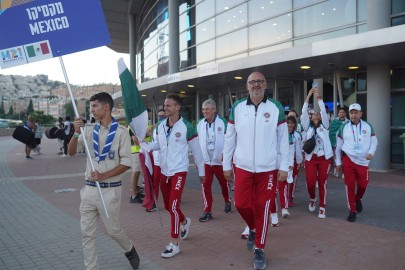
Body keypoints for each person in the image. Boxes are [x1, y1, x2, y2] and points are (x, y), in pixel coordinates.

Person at [223, 71, 289, 270]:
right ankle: (252, 228)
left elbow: (283, 139)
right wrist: (226, 164)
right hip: (242, 166)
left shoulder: (276, 107)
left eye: (260, 81)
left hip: (267, 168)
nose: (256, 85)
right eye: (252, 82)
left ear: (266, 84)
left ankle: (259, 248)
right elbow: (229, 138)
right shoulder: (237, 107)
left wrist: (284, 166)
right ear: (247, 86)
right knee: (241, 204)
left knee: (263, 206)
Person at [67, 92, 140, 270]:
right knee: (87, 233)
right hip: (89, 190)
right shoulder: (88, 130)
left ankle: (129, 249)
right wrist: (76, 133)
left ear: (106, 107)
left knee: (113, 230)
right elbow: (70, 153)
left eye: (94, 106)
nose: (91, 110)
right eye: (91, 106)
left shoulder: (121, 132)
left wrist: (104, 175)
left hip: (110, 190)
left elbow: (126, 163)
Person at [142, 93, 205, 258]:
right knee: (169, 207)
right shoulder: (160, 126)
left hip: (179, 171)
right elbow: (157, 145)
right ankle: (185, 222)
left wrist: (202, 171)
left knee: (174, 206)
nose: (165, 107)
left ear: (177, 107)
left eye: (169, 105)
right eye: (165, 104)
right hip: (164, 171)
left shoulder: (187, 127)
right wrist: (144, 144)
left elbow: (197, 151)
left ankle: (174, 244)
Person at [335, 103, 378, 222]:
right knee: (350, 185)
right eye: (351, 113)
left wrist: (371, 152)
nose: (353, 115)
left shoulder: (368, 126)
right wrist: (338, 162)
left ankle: (358, 198)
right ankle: (352, 210)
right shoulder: (343, 127)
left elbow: (374, 142)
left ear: (360, 114)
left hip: (363, 161)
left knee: (363, 185)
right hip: (348, 159)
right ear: (349, 114)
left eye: (356, 112)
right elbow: (338, 147)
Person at [196, 99, 232, 222]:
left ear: (214, 110)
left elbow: (230, 140)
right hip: (206, 162)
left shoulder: (223, 122)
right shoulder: (200, 124)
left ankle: (227, 201)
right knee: (205, 185)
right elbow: (196, 142)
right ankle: (207, 210)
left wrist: (226, 155)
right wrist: (198, 159)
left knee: (224, 184)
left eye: (207, 109)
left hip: (220, 161)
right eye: (203, 109)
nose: (204, 112)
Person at [301, 88, 333, 219]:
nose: (316, 115)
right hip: (311, 158)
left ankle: (322, 208)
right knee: (310, 182)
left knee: (322, 183)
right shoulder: (307, 127)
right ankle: (312, 197)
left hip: (324, 158)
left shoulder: (324, 126)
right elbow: (303, 112)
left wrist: (319, 97)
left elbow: (324, 112)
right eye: (313, 113)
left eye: (317, 114)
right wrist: (308, 95)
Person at [148, 109, 167, 212]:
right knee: (156, 182)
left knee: (167, 182)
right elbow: (155, 142)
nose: (161, 118)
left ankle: (171, 199)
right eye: (159, 116)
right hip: (157, 160)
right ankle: (154, 202)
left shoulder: (170, 127)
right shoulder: (156, 128)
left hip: (168, 160)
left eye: (163, 116)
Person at [329, 107, 349, 177]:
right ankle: (336, 170)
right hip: (336, 142)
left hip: (346, 143)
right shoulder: (334, 121)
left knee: (344, 157)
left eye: (343, 112)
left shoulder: (348, 122)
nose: (341, 113)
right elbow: (331, 132)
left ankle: (344, 172)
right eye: (340, 112)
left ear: (345, 114)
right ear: (338, 113)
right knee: (336, 156)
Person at [128, 127, 145, 204]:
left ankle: (136, 192)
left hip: (138, 151)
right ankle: (134, 196)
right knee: (135, 172)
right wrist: (144, 146)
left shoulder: (135, 125)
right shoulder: (133, 126)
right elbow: (134, 139)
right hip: (136, 151)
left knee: (137, 172)